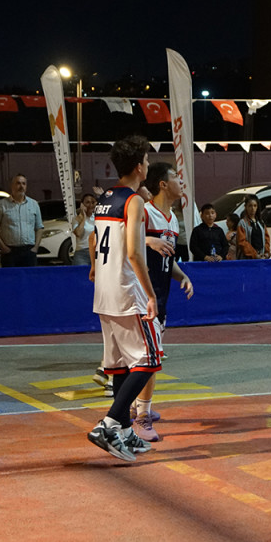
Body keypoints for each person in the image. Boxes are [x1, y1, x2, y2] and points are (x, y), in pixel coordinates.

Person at [86, 135, 162, 462]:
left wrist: (93, 267)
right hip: (126, 290)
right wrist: (151, 294)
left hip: (104, 292)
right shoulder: (134, 201)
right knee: (149, 360)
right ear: (138, 167)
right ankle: (109, 424)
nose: (147, 164)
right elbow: (133, 252)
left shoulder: (105, 198)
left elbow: (94, 239)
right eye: (145, 160)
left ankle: (125, 430)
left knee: (119, 367)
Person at [127, 161, 195, 444]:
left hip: (161, 296)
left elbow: (168, 257)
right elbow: (124, 241)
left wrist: (182, 276)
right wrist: (147, 241)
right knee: (150, 360)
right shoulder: (145, 211)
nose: (182, 181)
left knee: (146, 358)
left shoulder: (172, 220)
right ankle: (141, 417)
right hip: (143, 297)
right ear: (163, 184)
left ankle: (137, 406)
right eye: (176, 177)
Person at [0, 173, 44, 268]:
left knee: (29, 277)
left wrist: (35, 247)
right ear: (12, 186)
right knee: (11, 277)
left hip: (29, 251)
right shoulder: (1, 205)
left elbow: (39, 227)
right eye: (18, 183)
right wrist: (3, 247)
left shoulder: (34, 204)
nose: (21, 186)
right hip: (10, 252)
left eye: (24, 183)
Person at [69, 193, 98, 266]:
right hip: (82, 253)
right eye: (87, 202)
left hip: (96, 252)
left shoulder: (97, 218)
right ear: (82, 204)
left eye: (92, 202)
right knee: (81, 272)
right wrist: (84, 217)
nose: (90, 205)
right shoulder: (76, 219)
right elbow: (79, 233)